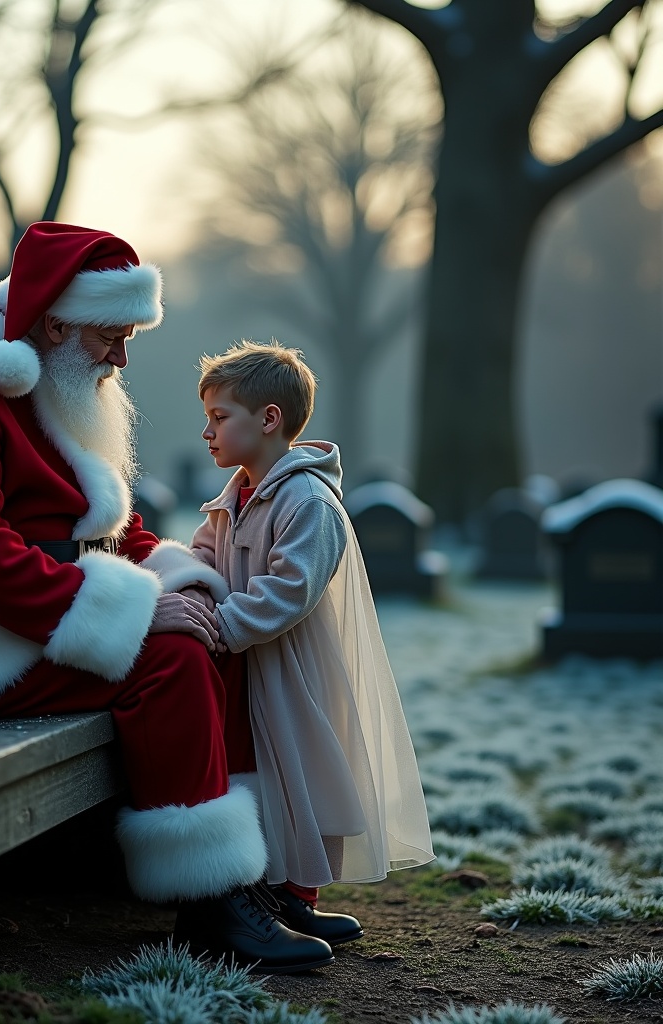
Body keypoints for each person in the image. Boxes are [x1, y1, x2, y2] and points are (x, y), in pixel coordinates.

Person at [0, 222, 352, 973]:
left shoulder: (41, 379)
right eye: (112, 335)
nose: (122, 357)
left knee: (202, 629)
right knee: (166, 655)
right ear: (55, 320)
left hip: (4, 620)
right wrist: (142, 611)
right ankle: (211, 902)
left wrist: (181, 582)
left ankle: (250, 879)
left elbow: (108, 527)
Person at [184, 339, 434, 947]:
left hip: (290, 664)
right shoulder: (233, 497)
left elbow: (290, 590)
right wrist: (187, 592)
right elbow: (203, 556)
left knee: (301, 773)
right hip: (246, 662)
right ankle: (267, 890)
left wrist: (221, 625)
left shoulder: (307, 499)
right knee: (260, 775)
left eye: (220, 418)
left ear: (269, 419)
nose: (207, 432)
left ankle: (297, 896)